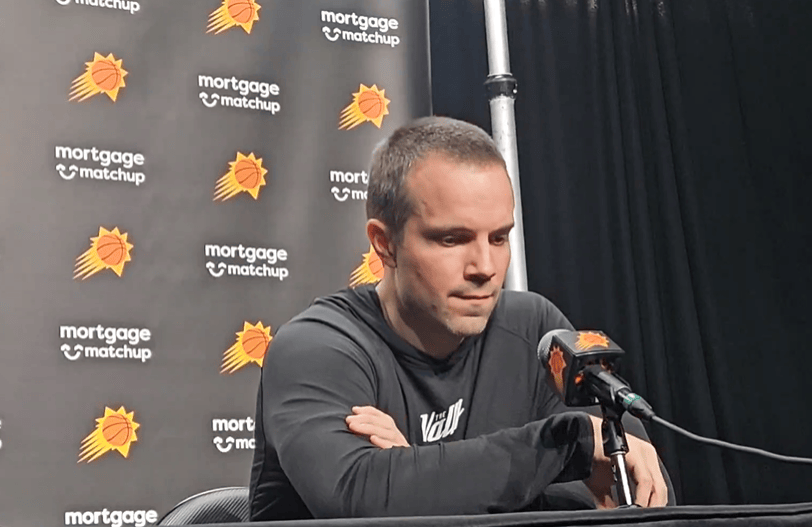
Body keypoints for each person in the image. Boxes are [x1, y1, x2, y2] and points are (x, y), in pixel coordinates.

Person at [249, 116, 671, 520]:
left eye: (499, 238)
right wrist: (562, 446)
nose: (485, 267)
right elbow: (359, 500)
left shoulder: (534, 331)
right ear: (385, 243)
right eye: (452, 239)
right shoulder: (317, 349)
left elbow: (644, 491)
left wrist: (418, 480)